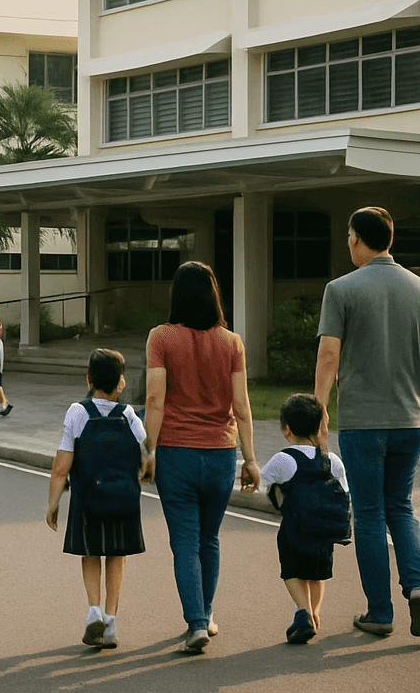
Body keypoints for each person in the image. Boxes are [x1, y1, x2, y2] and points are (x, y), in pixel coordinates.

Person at [315, 206, 420, 639]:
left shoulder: (340, 289)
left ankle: (380, 612)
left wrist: (318, 410)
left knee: (369, 513)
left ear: (356, 239)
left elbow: (329, 355)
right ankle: (418, 586)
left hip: (362, 423)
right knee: (402, 505)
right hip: (410, 421)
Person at [142, 260, 261, 654]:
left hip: (176, 454)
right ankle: (206, 615)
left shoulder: (160, 337)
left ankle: (195, 622)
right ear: (213, 295)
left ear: (177, 294)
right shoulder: (232, 342)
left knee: (185, 542)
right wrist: (251, 459)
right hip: (222, 454)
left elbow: (155, 399)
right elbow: (242, 406)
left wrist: (149, 449)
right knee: (209, 539)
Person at [47, 349, 148, 650]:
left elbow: (61, 466)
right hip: (123, 499)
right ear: (120, 383)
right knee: (116, 555)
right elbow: (147, 454)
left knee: (90, 552)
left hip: (88, 496)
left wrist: (53, 503)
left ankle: (93, 610)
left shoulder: (77, 412)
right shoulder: (129, 415)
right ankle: (111, 621)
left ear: (88, 380)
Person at [259, 393, 350, 645]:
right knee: (317, 573)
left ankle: (303, 611)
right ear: (319, 426)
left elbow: (263, 484)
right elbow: (344, 489)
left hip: (295, 528)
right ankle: (315, 613)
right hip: (325, 530)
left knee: (292, 570)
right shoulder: (332, 460)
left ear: (287, 430)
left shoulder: (283, 459)